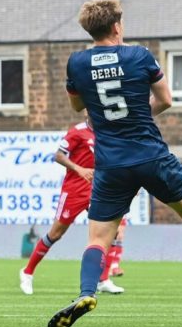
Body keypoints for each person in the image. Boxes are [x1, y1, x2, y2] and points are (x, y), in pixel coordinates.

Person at [48, 0, 182, 327]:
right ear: (117, 26)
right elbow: (167, 99)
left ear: (90, 30)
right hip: (150, 154)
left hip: (110, 163)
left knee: (98, 239)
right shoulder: (139, 55)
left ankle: (87, 292)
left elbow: (76, 108)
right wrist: (139, 114)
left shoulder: (77, 63)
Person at [19, 116, 125, 295]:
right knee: (56, 233)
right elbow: (58, 156)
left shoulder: (107, 131)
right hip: (74, 190)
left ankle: (103, 279)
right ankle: (27, 272)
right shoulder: (77, 132)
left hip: (96, 190)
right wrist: (79, 169)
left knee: (110, 231)